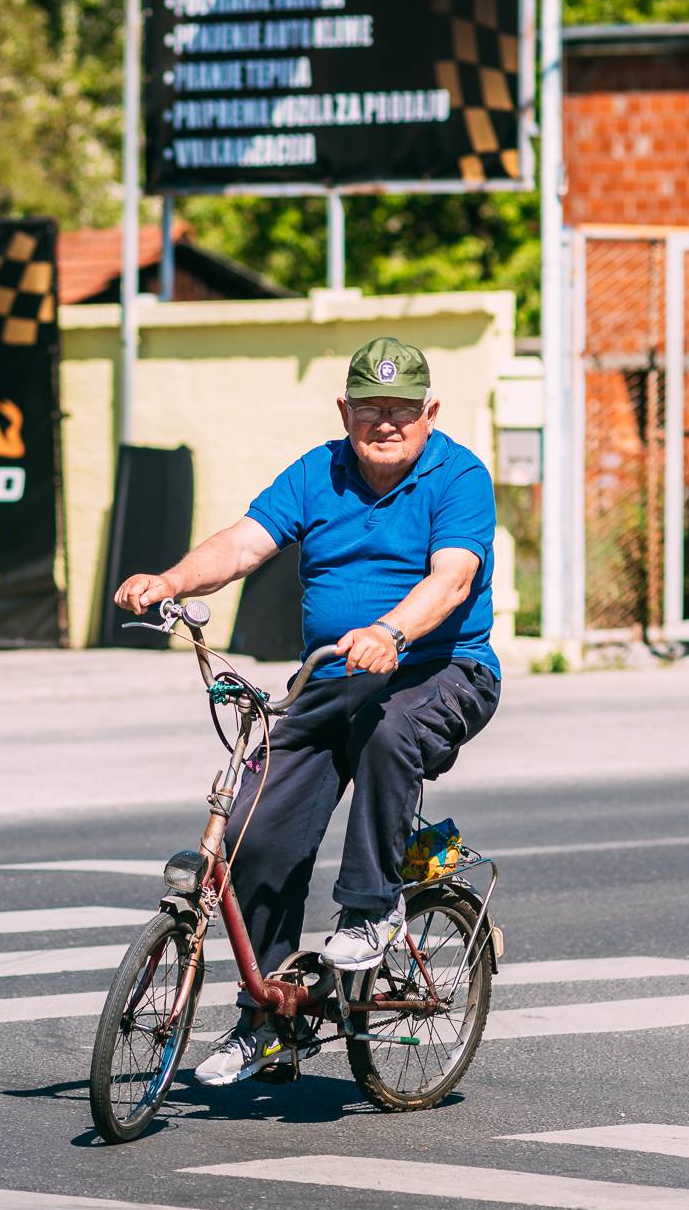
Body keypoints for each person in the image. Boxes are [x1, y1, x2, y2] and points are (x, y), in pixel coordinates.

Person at [114, 336, 502, 1086]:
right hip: (332, 676)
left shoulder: (458, 476)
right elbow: (242, 545)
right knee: (256, 829)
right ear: (344, 411)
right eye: (368, 409)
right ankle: (271, 1022)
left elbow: (453, 579)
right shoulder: (316, 473)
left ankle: (371, 910)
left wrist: (392, 631)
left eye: (400, 410)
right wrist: (171, 580)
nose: (384, 423)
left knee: (390, 731)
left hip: (441, 669)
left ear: (430, 413)